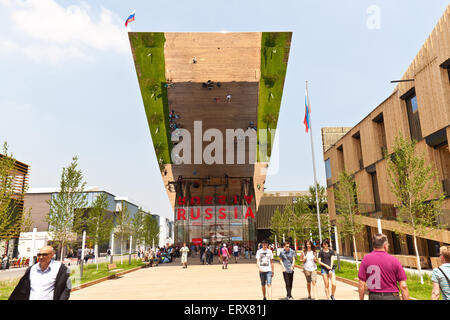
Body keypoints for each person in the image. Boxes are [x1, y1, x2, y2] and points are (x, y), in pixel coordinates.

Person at [358, 233, 409, 300]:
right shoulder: (394, 260)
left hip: (374, 296)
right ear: (385, 246)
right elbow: (403, 286)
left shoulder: (366, 259)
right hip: (391, 297)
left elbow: (361, 284)